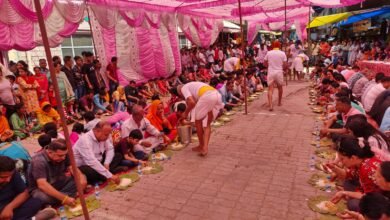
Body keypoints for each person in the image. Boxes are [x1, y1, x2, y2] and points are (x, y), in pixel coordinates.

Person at [170, 81, 224, 156]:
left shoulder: (184, 88)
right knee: (207, 124)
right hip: (216, 95)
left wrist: (185, 113)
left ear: (179, 93)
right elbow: (194, 103)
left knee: (198, 121)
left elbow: (192, 103)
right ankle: (205, 147)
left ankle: (201, 146)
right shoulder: (193, 85)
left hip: (207, 96)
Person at [329, 135, 381, 211]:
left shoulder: (367, 168)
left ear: (353, 157)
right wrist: (334, 168)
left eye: (342, 159)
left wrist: (345, 193)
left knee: (353, 204)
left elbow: (369, 196)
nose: (340, 161)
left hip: (380, 201)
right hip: (368, 192)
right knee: (348, 182)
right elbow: (347, 175)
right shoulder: (359, 162)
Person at [28, 140, 86, 207]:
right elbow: (42, 185)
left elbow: (73, 168)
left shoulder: (64, 153)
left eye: (65, 155)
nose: (63, 158)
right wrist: (64, 198)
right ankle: (66, 196)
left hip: (58, 182)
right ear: (50, 152)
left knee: (82, 177)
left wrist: (81, 179)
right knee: (41, 197)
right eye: (60, 156)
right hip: (42, 190)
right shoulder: (38, 161)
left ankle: (59, 198)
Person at [0, 156, 57, 220]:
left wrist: (9, 207)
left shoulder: (12, 173)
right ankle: (34, 218)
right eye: (3, 177)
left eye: (10, 176)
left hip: (13, 206)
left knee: (36, 202)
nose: (8, 180)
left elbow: (25, 193)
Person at [264, 41, 287, 111]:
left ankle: (271, 105)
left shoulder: (269, 53)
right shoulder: (282, 53)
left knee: (270, 89)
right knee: (280, 88)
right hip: (279, 71)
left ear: (273, 46)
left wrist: (269, 66)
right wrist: (283, 69)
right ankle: (279, 102)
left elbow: (264, 62)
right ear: (279, 46)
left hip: (271, 71)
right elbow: (285, 64)